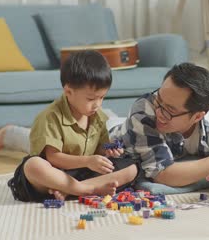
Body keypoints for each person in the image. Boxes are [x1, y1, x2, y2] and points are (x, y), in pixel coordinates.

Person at [0, 63, 209, 190]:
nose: (159, 111)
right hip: (112, 139)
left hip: (116, 124)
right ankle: (10, 133)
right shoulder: (145, 109)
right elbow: (163, 175)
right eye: (159, 98)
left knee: (105, 114)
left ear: (198, 115)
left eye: (170, 111)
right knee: (54, 144)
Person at [7, 50, 138, 202]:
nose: (98, 104)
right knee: (33, 165)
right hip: (52, 176)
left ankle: (69, 190)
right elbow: (53, 158)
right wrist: (88, 161)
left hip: (82, 174)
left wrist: (109, 151)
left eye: (102, 97)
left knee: (133, 168)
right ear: (68, 91)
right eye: (91, 98)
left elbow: (99, 151)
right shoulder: (49, 117)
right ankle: (85, 189)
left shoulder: (98, 117)